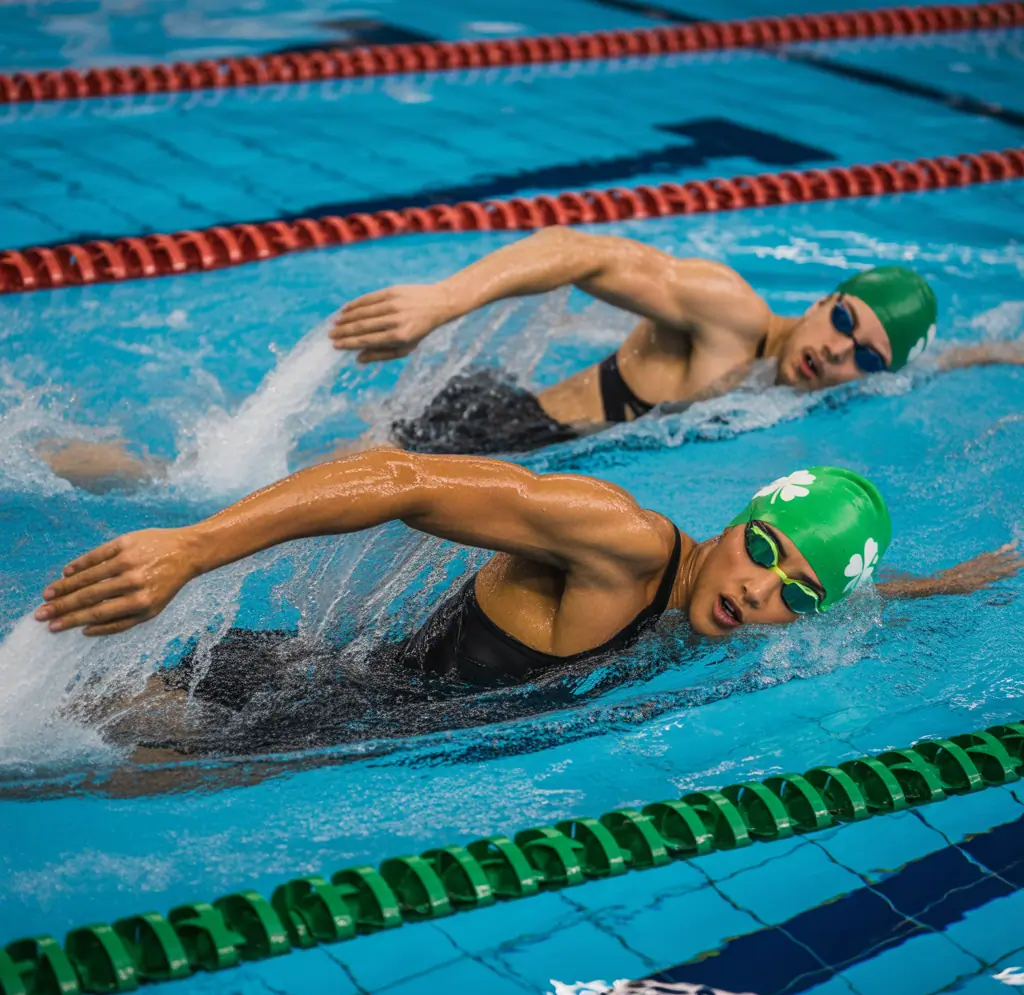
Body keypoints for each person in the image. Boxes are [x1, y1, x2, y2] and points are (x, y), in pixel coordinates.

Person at [35, 451, 1021, 699]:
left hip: (336, 721)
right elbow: (402, 480)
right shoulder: (622, 541)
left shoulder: (731, 600)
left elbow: (855, 597)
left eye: (795, 592)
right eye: (763, 550)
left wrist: (968, 576)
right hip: (268, 699)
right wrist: (191, 546)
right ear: (737, 522)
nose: (763, 591)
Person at [329, 228, 1024, 455]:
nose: (841, 353)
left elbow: (922, 364)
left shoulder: (811, 381)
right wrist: (443, 301)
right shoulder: (734, 316)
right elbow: (582, 250)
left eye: (867, 357)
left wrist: (995, 353)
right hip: (488, 429)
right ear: (822, 301)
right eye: (844, 323)